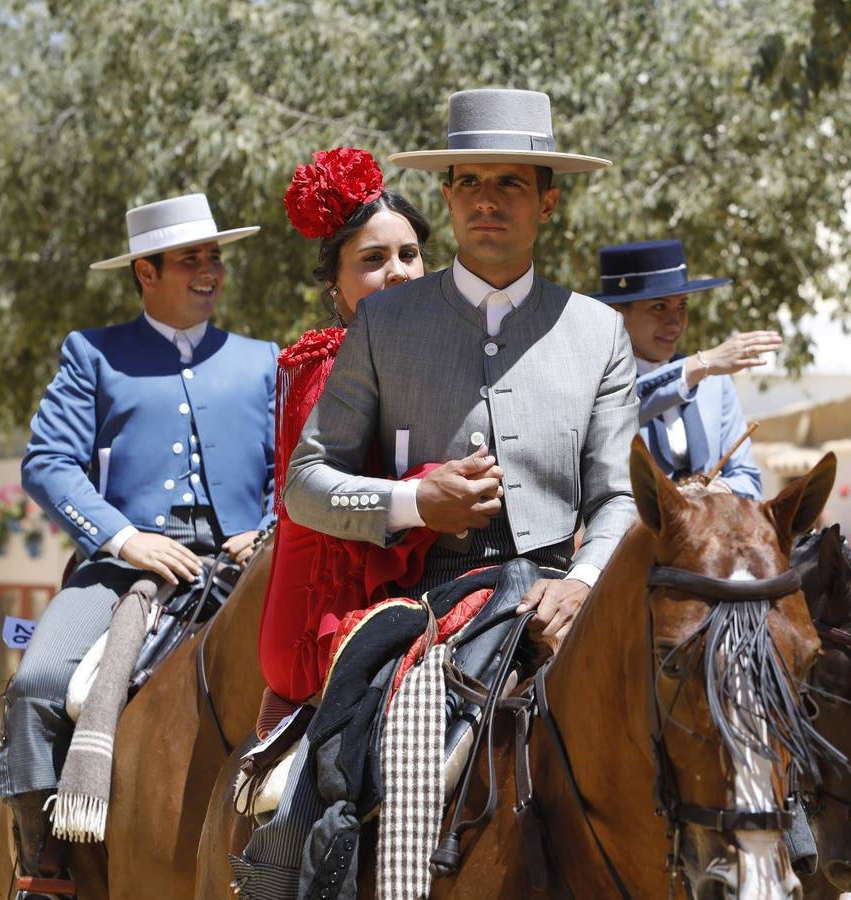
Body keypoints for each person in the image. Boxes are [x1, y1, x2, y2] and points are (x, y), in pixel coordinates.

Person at [234, 87, 639, 898]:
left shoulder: (599, 332)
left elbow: (620, 495)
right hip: (430, 600)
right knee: (363, 770)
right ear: (449, 196)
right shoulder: (387, 325)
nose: (487, 199)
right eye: (469, 181)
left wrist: (586, 579)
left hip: (571, 593)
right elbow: (307, 485)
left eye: (512, 183)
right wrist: (418, 506)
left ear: (548, 201)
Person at [0, 193, 278, 899]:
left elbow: (295, 466)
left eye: (214, 257)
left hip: (245, 566)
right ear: (145, 273)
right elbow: (48, 463)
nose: (210, 271)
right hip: (125, 571)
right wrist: (126, 539)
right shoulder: (92, 354)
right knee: (35, 686)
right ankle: (45, 874)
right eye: (191, 260)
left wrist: (268, 528)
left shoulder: (263, 361)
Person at [257, 147, 434, 706]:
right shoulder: (329, 368)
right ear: (334, 283)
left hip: (408, 591)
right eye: (373, 259)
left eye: (409, 253)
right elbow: (317, 493)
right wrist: (432, 490)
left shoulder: (432, 354)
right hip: (324, 626)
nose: (399, 272)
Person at [592, 239, 779, 498]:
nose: (675, 322)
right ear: (617, 314)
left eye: (682, 306)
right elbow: (625, 406)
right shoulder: (596, 384)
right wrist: (698, 366)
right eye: (659, 307)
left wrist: (715, 491)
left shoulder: (713, 383)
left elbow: (749, 482)